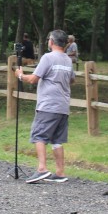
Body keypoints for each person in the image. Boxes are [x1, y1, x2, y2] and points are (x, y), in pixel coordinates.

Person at [14, 29, 76, 183]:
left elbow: (33, 79)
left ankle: (42, 169)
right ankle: (60, 173)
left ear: (52, 42)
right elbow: (71, 80)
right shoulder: (68, 60)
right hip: (63, 105)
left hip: (48, 105)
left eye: (49, 39)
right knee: (57, 140)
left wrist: (20, 75)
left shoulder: (48, 58)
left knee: (38, 135)